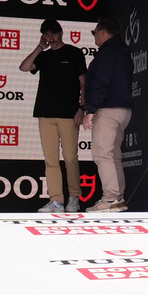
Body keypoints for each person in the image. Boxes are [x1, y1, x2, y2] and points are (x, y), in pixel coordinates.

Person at [20, 18, 87, 213]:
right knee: (50, 159)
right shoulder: (45, 55)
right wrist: (39, 47)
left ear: (61, 33)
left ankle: (74, 197)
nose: (51, 38)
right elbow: (24, 67)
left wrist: (82, 107)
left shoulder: (74, 53)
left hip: (68, 113)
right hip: (45, 113)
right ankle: (56, 200)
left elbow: (85, 81)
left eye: (54, 34)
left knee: (70, 158)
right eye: (47, 35)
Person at [82, 17, 133, 213]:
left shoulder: (107, 53)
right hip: (123, 111)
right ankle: (117, 198)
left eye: (95, 33)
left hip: (108, 109)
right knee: (114, 156)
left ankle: (110, 198)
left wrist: (91, 109)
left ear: (102, 32)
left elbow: (101, 83)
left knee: (102, 154)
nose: (94, 37)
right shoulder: (123, 53)